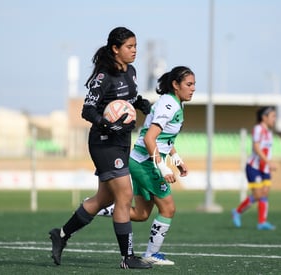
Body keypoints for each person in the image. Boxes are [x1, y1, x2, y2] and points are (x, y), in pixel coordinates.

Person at [48, 26, 152, 269]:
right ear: (115, 49)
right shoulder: (103, 77)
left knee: (104, 198)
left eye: (136, 46)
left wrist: (141, 103)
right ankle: (127, 258)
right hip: (104, 143)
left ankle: (61, 235)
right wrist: (105, 123)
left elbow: (127, 99)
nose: (134, 50)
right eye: (129, 47)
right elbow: (88, 110)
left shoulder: (132, 71)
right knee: (124, 195)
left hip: (122, 141)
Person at [98, 66, 196, 265]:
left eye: (194, 84)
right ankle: (151, 254)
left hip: (140, 160)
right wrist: (164, 168)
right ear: (175, 85)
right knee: (169, 209)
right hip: (146, 163)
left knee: (142, 214)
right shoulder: (169, 106)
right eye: (189, 84)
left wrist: (177, 161)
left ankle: (101, 208)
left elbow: (165, 140)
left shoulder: (175, 103)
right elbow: (150, 139)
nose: (193, 88)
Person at [231, 106, 277, 230]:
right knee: (257, 194)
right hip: (254, 167)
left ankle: (262, 222)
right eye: (273, 116)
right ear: (264, 117)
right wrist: (269, 162)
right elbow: (256, 148)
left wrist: (268, 164)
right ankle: (237, 211)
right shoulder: (258, 129)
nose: (275, 119)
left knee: (265, 193)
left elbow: (267, 150)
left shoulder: (269, 133)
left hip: (265, 168)